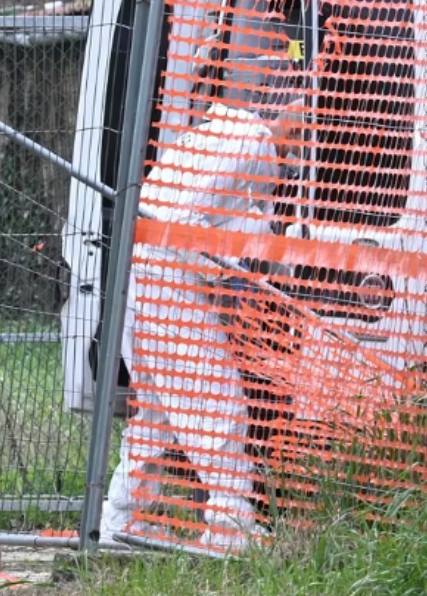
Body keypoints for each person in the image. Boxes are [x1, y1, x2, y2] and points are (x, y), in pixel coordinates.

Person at [100, 99, 306, 551]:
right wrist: (221, 270)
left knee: (155, 413)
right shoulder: (252, 145)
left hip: (144, 274)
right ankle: (231, 524)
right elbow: (184, 221)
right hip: (168, 277)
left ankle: (121, 519)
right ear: (294, 129)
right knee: (219, 400)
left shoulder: (226, 134)